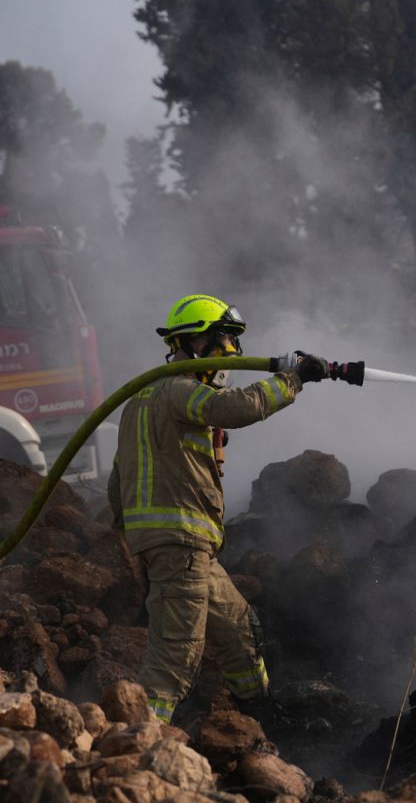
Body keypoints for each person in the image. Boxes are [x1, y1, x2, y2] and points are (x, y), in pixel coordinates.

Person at [106, 294, 328, 724]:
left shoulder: (139, 401)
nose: (233, 350)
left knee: (239, 628)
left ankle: (260, 715)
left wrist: (135, 536)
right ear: (196, 341)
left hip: (187, 548)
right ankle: (135, 740)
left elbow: (119, 479)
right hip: (180, 542)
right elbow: (232, 407)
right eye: (226, 337)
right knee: (175, 657)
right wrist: (293, 379)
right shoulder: (180, 390)